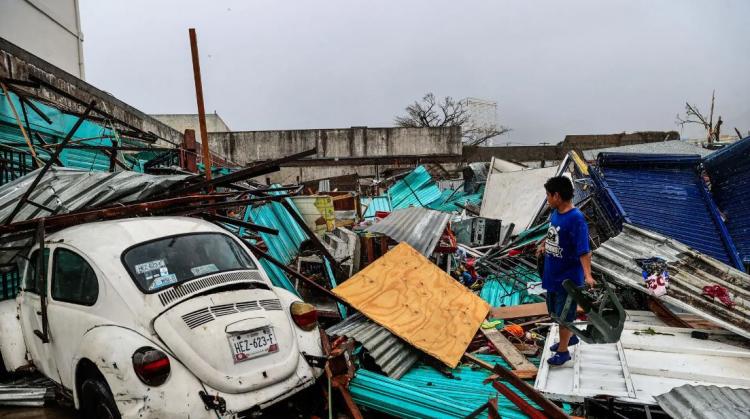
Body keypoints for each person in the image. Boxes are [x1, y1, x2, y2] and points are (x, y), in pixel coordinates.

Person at [536, 176, 594, 366]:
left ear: (557, 196)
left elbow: (584, 250)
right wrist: (545, 244)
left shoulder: (576, 219)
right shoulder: (555, 213)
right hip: (553, 274)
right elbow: (554, 233)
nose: (547, 199)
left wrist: (587, 275)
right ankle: (569, 338)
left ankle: (563, 352)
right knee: (555, 312)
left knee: (564, 316)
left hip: (567, 278)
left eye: (548, 195)